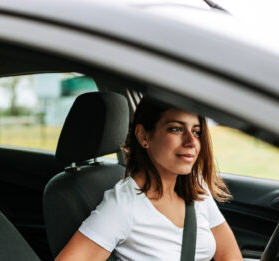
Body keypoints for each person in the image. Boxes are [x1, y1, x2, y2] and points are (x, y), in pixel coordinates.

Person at [56, 97, 242, 261]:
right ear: (143, 136)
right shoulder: (124, 205)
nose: (191, 142)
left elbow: (229, 254)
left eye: (196, 131)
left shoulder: (196, 186)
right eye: (176, 129)